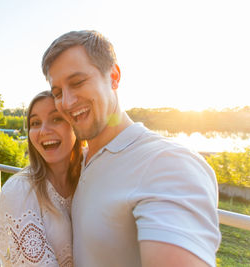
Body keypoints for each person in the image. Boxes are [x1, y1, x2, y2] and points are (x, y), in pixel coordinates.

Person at [42, 30, 221, 267]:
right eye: (57, 93)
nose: (66, 102)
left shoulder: (167, 163)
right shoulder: (83, 160)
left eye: (77, 82)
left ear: (114, 76)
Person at [0, 90, 82, 267]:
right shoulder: (20, 191)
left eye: (56, 118)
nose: (43, 131)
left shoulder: (90, 175)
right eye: (35, 123)